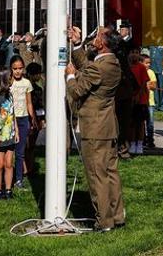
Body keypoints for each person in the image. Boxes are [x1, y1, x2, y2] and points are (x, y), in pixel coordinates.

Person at [66, 27, 126, 232]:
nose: (95, 37)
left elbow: (77, 91)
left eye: (98, 35)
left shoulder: (99, 68)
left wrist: (70, 77)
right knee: (110, 173)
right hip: (108, 127)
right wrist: (76, 45)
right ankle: (117, 216)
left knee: (96, 175)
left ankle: (104, 221)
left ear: (104, 43)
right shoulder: (112, 63)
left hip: (94, 129)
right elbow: (89, 68)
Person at [0, 68, 19, 200]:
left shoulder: (10, 94)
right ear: (4, 79)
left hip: (10, 133)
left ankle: (8, 189)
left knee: (9, 163)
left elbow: (13, 114)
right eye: (11, 77)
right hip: (0, 134)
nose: (13, 79)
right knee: (0, 163)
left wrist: (17, 131)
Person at [9, 56, 36, 187]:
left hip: (23, 119)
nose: (18, 71)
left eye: (20, 68)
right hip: (9, 120)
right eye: (15, 69)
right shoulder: (8, 83)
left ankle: (19, 179)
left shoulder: (27, 83)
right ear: (11, 69)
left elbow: (29, 102)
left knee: (20, 152)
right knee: (8, 151)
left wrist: (32, 119)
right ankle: (7, 177)